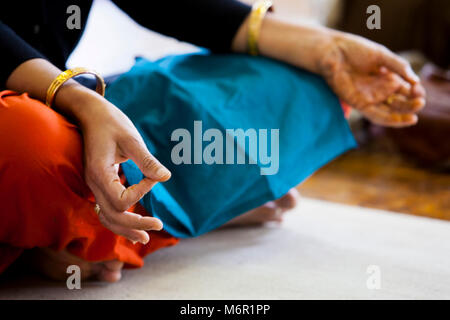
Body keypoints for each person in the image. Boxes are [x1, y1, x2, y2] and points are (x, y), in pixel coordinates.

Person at [0, 0, 425, 282]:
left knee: (303, 83)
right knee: (28, 147)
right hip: (25, 119)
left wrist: (326, 48)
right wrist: (73, 96)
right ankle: (80, 232)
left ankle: (64, 229)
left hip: (68, 104)